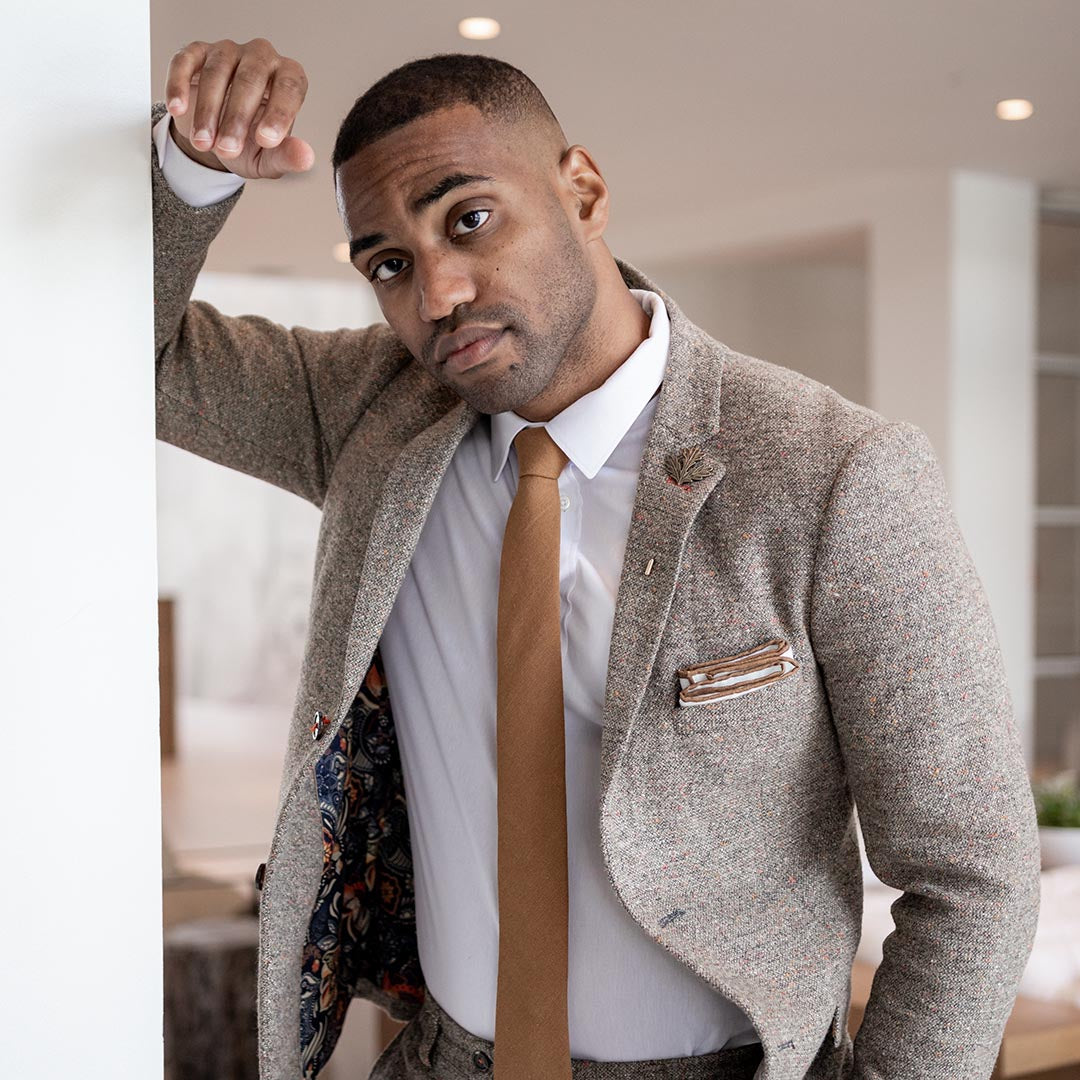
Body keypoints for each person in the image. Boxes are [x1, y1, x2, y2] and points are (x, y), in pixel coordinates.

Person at [152, 37, 1041, 1080]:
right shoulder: (371, 417)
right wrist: (192, 171)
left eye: (469, 219)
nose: (436, 292)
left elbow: (972, 876)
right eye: (389, 263)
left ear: (582, 189)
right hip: (439, 1056)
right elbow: (129, 350)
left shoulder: (831, 472)